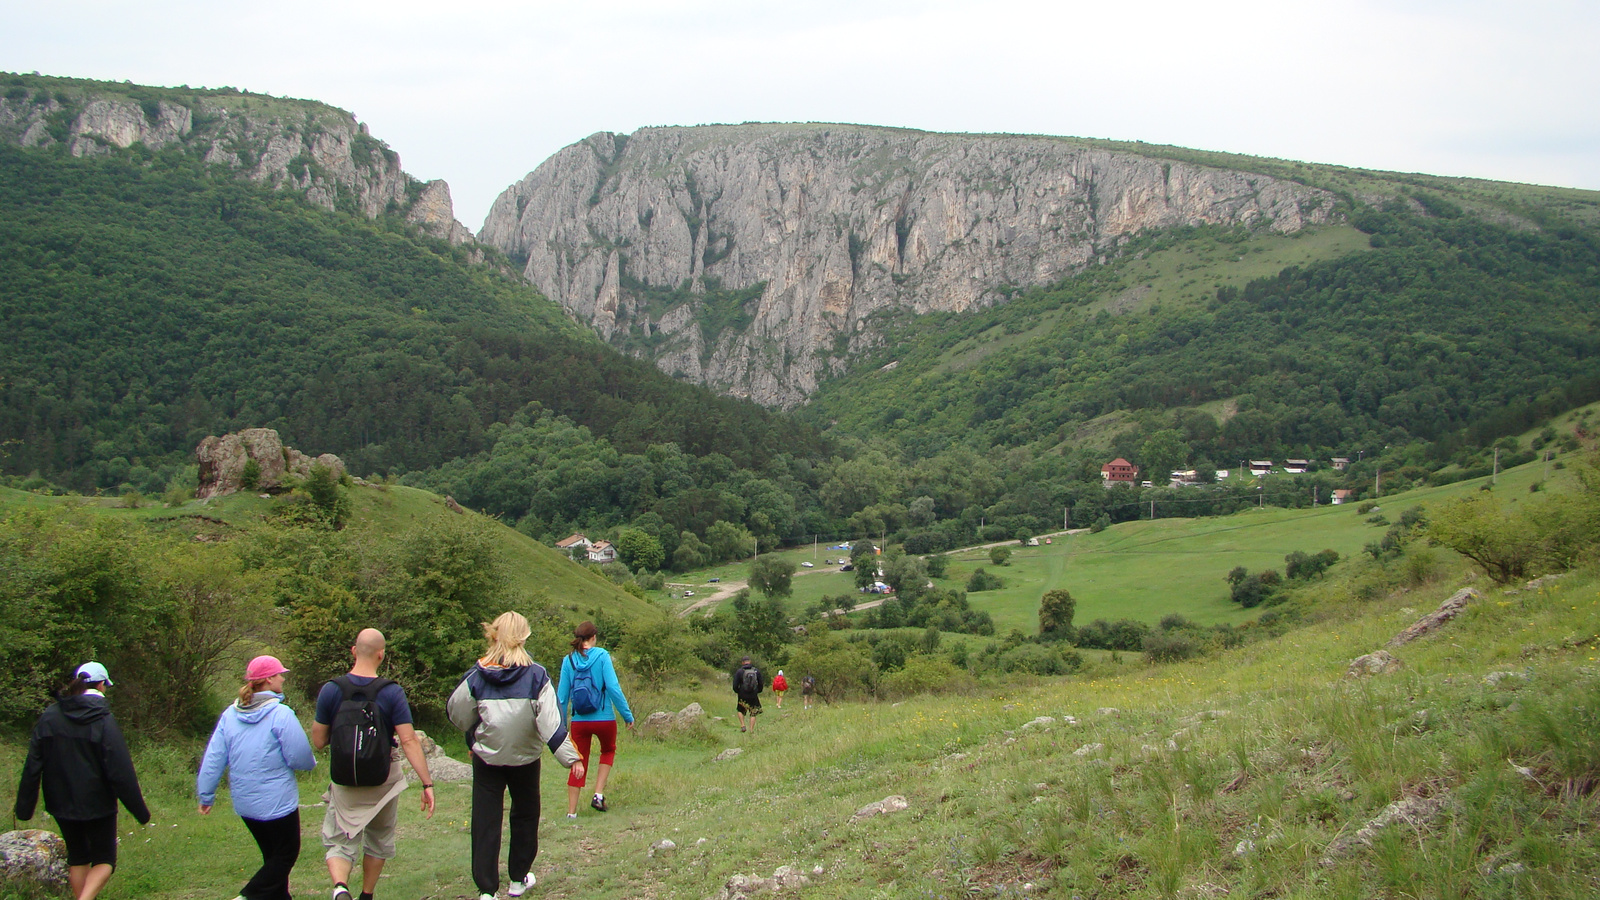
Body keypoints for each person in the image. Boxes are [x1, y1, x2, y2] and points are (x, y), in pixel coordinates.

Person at [448, 612, 584, 900]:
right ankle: (518, 879)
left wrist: (473, 738)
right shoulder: (536, 675)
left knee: (485, 821)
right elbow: (551, 723)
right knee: (525, 816)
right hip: (525, 760)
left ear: (494, 634)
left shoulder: (476, 675)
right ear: (524, 637)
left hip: (487, 760)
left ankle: (487, 889)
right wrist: (571, 758)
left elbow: (457, 712)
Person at [311, 629, 435, 900]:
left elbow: (318, 741)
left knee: (338, 840)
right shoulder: (391, 692)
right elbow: (409, 740)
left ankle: (341, 887)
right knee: (378, 840)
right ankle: (367, 895)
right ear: (382, 655)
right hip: (383, 779)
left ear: (354, 651)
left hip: (345, 778)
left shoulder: (332, 690)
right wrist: (426, 783)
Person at [14, 662, 151, 900]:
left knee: (78, 857)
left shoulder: (50, 715)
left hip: (60, 801)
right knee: (105, 859)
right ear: (101, 685)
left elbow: (33, 763)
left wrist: (24, 807)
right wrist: (140, 811)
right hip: (98, 803)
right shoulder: (102, 719)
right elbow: (120, 771)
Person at [196, 655, 316, 900]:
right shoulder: (280, 714)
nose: (283, 678)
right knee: (286, 854)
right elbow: (299, 756)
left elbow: (214, 757)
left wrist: (206, 794)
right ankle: (247, 896)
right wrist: (310, 764)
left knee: (272, 858)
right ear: (269, 679)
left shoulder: (230, 714)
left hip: (245, 803)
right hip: (278, 803)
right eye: (280, 674)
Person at [556, 621, 635, 817]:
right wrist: (627, 715)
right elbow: (613, 688)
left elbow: (562, 697)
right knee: (608, 750)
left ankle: (571, 813)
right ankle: (598, 794)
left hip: (579, 721)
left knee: (578, 760)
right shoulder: (602, 656)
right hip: (604, 718)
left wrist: (561, 726)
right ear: (593, 637)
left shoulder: (568, 660)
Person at [732, 656, 764, 734]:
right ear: (750, 661)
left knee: (740, 710)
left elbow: (735, 685)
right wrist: (758, 691)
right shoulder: (756, 671)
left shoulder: (740, 671)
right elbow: (761, 683)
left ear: (742, 662)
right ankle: (751, 730)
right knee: (753, 712)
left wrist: (738, 691)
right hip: (753, 694)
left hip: (742, 694)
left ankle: (743, 725)